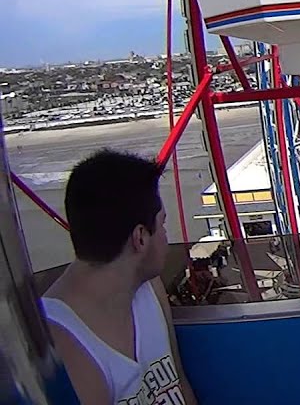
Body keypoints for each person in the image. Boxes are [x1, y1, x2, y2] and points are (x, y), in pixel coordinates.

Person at [41, 149, 197, 404]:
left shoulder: (150, 290)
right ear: (141, 238)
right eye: (163, 225)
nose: (166, 238)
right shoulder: (63, 339)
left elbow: (178, 382)